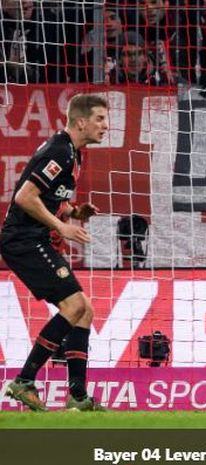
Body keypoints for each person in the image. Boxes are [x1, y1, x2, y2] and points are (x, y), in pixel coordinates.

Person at [2, 94, 109, 412]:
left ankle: (77, 397)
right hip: (22, 241)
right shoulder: (60, 151)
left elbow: (51, 199)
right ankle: (24, 381)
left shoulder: (74, 153)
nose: (106, 125)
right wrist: (61, 228)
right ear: (81, 122)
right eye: (100, 118)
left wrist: (75, 213)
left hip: (34, 240)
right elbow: (25, 196)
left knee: (84, 311)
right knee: (75, 306)